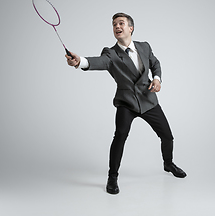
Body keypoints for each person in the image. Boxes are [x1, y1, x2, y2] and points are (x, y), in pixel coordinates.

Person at [65, 13, 186, 195]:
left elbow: (155, 63)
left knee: (167, 136)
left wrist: (157, 79)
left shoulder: (144, 47)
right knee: (120, 138)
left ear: (131, 28)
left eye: (121, 23)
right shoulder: (111, 53)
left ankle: (168, 164)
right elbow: (98, 62)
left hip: (148, 100)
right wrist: (80, 61)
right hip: (126, 102)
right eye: (114, 24)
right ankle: (112, 177)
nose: (117, 27)